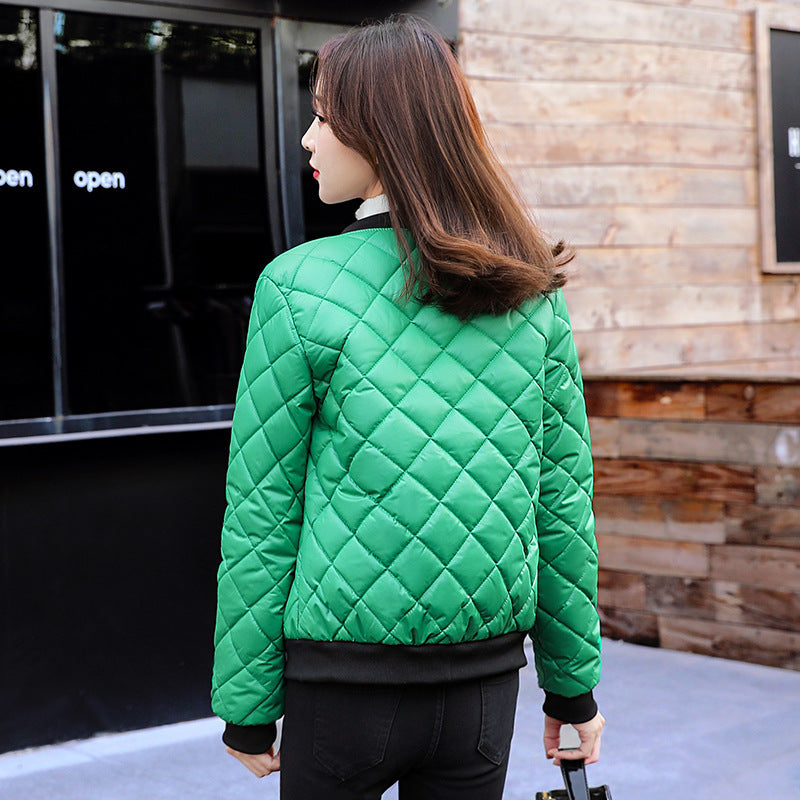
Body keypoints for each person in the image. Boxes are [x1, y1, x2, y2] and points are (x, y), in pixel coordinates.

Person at [211, 14, 604, 799]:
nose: (308, 139)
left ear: (379, 130)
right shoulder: (530, 290)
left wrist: (246, 705)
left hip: (341, 689)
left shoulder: (297, 286)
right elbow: (561, 504)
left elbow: (263, 511)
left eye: (324, 117)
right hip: (483, 691)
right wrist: (573, 689)